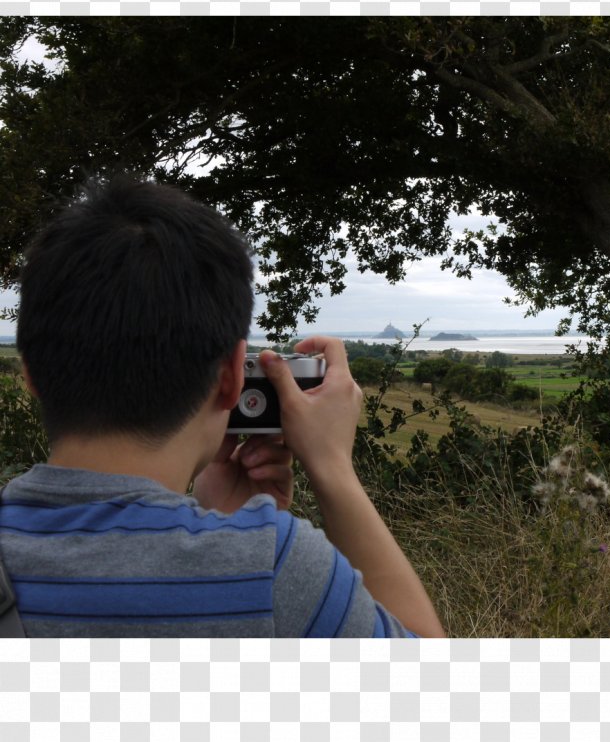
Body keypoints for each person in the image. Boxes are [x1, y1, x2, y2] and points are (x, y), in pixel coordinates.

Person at [0, 176, 445, 638]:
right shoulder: (270, 569)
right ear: (233, 377)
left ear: (29, 370)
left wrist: (219, 520)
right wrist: (332, 468)